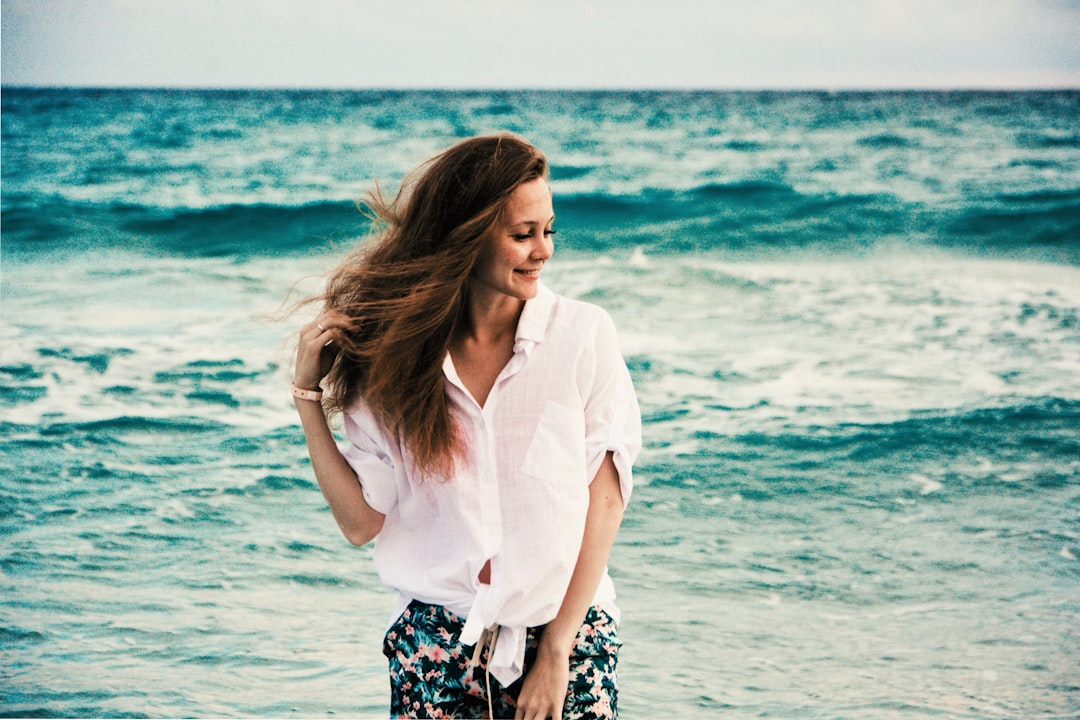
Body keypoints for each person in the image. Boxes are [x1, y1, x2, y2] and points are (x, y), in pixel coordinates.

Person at [291, 133, 641, 720]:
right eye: (522, 235)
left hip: (567, 636)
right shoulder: (395, 359)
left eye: (549, 231)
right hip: (434, 644)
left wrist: (556, 650)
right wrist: (307, 398)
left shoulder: (583, 336)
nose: (543, 251)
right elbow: (360, 523)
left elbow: (604, 499)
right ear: (468, 238)